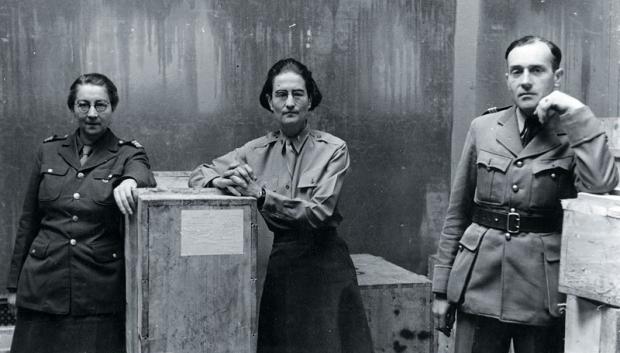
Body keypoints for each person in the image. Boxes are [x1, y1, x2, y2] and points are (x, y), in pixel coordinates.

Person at [432, 35, 619, 353]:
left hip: (541, 292)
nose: (526, 81)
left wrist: (577, 113)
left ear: (557, 77)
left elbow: (600, 185)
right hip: (478, 284)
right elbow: (458, 212)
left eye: (537, 70)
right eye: (516, 72)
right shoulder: (484, 127)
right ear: (507, 78)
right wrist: (441, 290)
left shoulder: (575, 131)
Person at [189, 58, 373, 353]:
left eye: (297, 94)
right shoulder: (254, 151)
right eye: (281, 95)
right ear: (269, 102)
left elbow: (319, 212)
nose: (289, 103)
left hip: (326, 266)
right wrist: (218, 182)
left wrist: (261, 195)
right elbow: (200, 173)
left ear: (310, 100)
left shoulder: (333, 149)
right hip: (284, 267)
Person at [6, 73, 157, 353]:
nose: (91, 113)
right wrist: (14, 286)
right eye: (83, 105)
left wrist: (129, 181)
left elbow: (142, 171)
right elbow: (29, 220)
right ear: (73, 108)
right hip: (42, 285)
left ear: (112, 108)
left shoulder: (127, 153)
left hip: (97, 291)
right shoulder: (48, 151)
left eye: (100, 105)